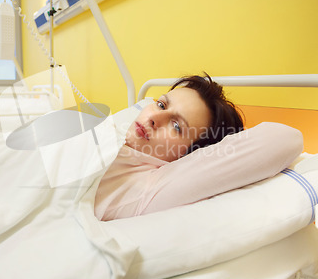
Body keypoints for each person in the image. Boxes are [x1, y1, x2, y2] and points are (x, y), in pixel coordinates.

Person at [94, 74, 303, 221]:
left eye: (176, 126)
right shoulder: (113, 138)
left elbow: (286, 140)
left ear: (191, 155)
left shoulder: (153, 186)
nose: (154, 118)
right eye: (162, 105)